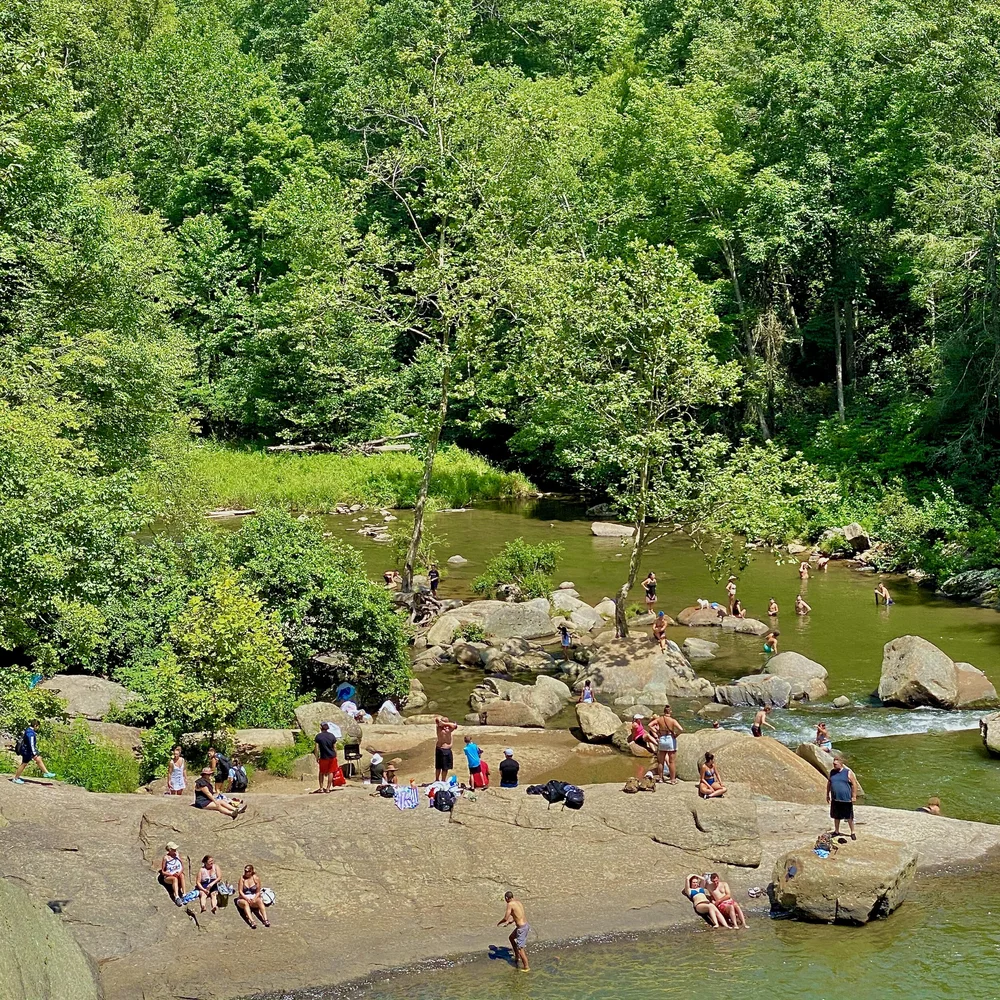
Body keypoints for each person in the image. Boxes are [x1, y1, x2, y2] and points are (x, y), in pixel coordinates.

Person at [11, 720, 55, 784]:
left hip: (28, 750)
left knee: (38, 759)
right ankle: (16, 778)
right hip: (27, 751)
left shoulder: (28, 730)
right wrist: (34, 752)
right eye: (38, 726)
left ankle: (46, 773)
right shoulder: (30, 733)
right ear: (35, 726)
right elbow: (31, 743)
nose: (38, 728)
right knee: (24, 764)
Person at [649, 705, 683, 784]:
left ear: (664, 712)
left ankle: (660, 778)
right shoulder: (672, 720)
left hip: (662, 739)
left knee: (661, 761)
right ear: (670, 711)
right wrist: (676, 735)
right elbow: (681, 729)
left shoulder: (659, 719)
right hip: (670, 739)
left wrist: (657, 732)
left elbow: (650, 725)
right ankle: (673, 780)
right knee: (671, 762)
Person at [827, 756, 859, 839]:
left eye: (836, 764)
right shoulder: (832, 772)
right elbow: (829, 783)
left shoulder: (847, 772)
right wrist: (827, 794)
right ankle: (836, 831)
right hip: (835, 798)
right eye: (833, 764)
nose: (834, 765)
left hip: (846, 799)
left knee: (849, 817)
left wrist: (854, 796)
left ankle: (852, 832)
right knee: (836, 816)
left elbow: (854, 784)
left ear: (841, 763)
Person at [498, 891, 530, 972]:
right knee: (511, 937)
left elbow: (505, 918)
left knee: (520, 949)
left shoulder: (510, 904)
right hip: (525, 925)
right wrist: (510, 922)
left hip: (521, 929)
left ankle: (526, 967)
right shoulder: (518, 902)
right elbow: (518, 915)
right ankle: (517, 957)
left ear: (506, 898)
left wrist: (500, 922)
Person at [236, 864, 269, 929]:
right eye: (245, 871)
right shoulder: (242, 879)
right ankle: (252, 921)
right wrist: (246, 898)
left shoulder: (256, 878)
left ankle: (265, 919)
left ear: (251, 872)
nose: (246, 873)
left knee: (260, 900)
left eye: (248, 871)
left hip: (253, 897)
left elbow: (258, 891)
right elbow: (240, 891)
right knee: (245, 903)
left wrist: (254, 898)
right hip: (244, 898)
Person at [313, 721, 340, 794]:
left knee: (321, 772)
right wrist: (336, 755)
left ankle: (321, 788)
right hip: (332, 756)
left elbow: (316, 748)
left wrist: (316, 757)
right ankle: (328, 788)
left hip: (323, 757)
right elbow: (335, 747)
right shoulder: (332, 736)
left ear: (321, 728)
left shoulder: (318, 736)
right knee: (330, 772)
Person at [159, 842, 187, 906]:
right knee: (174, 879)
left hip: (178, 873)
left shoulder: (177, 854)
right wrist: (171, 874)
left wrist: (179, 872)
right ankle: (177, 897)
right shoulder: (166, 858)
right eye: (173, 849)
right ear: (170, 849)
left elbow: (182, 866)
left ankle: (184, 894)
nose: (175, 850)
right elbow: (163, 872)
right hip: (169, 877)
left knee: (182, 875)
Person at [434, 716, 459, 781]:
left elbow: (455, 726)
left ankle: (438, 779)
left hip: (439, 748)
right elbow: (454, 726)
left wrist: (443, 724)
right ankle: (442, 780)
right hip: (444, 749)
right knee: (443, 767)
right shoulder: (448, 729)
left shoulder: (439, 728)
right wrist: (445, 723)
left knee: (439, 766)